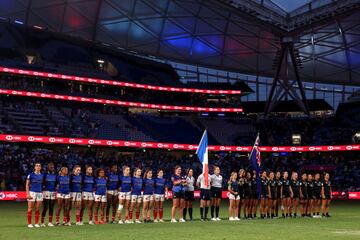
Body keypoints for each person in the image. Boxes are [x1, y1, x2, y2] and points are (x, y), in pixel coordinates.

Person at [26, 162, 44, 228]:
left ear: (41, 167)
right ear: (34, 167)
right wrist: (27, 193)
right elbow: (27, 185)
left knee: (37, 209)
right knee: (30, 209)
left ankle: (36, 223)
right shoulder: (30, 175)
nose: (38, 167)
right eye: (37, 166)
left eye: (39, 166)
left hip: (39, 193)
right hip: (32, 192)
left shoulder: (42, 175)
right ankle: (29, 223)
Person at [41, 162, 56, 227]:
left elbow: (57, 182)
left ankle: (50, 222)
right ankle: (42, 222)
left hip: (53, 192)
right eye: (51, 167)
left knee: (51, 207)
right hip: (46, 191)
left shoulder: (55, 175)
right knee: (45, 207)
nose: (52, 168)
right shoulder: (44, 174)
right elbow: (42, 182)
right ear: (48, 168)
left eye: (53, 167)